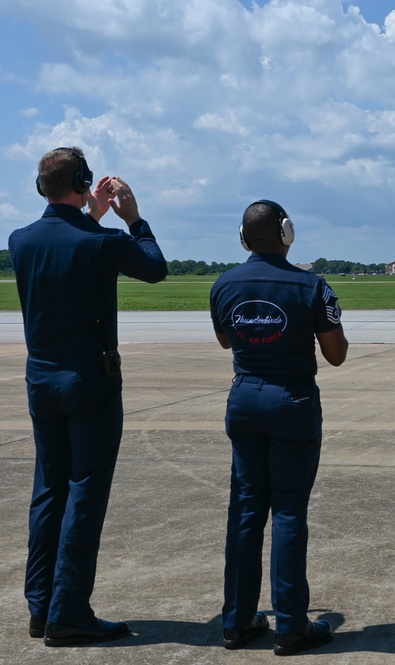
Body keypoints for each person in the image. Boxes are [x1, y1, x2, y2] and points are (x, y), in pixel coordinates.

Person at [9, 146, 167, 646]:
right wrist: (133, 219)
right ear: (82, 180)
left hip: (41, 380)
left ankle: (41, 606)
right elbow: (155, 268)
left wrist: (88, 213)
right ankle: (70, 610)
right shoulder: (103, 241)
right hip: (90, 382)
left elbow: (63, 242)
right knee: (85, 492)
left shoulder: (20, 240)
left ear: (41, 187)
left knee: (49, 490)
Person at [210, 200, 349, 655]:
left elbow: (226, 338)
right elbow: (336, 354)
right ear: (286, 233)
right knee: (288, 512)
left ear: (243, 236)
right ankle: (290, 624)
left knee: (246, 511)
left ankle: (236, 620)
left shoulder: (224, 284)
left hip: (244, 397)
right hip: (291, 400)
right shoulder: (312, 285)